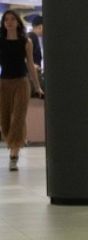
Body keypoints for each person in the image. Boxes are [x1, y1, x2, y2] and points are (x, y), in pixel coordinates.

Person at [0, 11, 43, 171]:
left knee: (18, 117)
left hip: (21, 83)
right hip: (3, 83)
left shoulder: (26, 42)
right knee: (4, 119)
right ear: (3, 23)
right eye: (6, 20)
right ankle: (12, 142)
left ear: (18, 22)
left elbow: (31, 65)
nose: (9, 22)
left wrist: (37, 86)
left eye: (12, 19)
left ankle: (14, 153)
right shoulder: (1, 41)